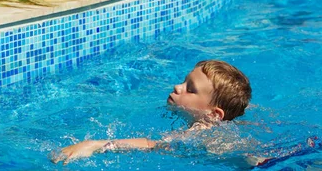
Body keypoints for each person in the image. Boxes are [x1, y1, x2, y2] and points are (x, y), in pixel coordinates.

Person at [51, 60, 254, 164]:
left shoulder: (200, 132)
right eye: (184, 81)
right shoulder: (224, 126)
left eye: (190, 89)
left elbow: (153, 145)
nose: (177, 87)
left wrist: (96, 145)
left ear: (214, 114)